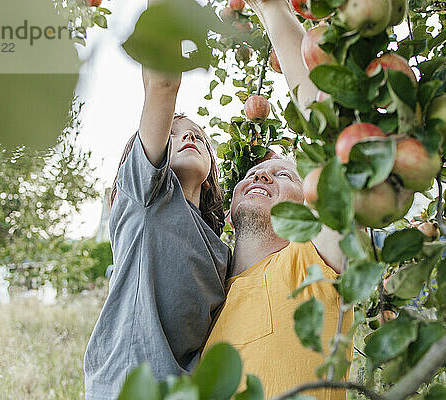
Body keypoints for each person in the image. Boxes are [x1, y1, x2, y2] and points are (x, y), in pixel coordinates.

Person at [203, 1, 354, 398]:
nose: (261, 172)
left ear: (310, 208)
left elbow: (332, 134)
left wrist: (270, 9)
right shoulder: (205, 306)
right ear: (231, 215)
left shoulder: (313, 265)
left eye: (284, 174)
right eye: (251, 175)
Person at [83, 65, 232, 398]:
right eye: (175, 133)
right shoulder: (147, 195)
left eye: (199, 137)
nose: (189, 137)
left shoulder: (222, 253)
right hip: (125, 387)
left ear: (209, 173)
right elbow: (163, 82)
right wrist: (165, 18)